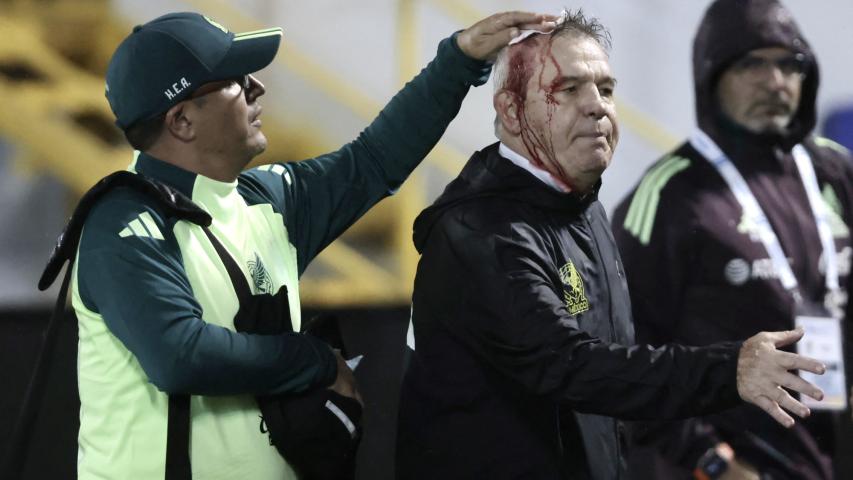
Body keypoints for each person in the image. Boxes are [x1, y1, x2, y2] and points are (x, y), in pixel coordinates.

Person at [65, 10, 553, 480]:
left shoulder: (268, 200)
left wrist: (460, 59)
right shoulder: (124, 223)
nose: (257, 87)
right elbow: (180, 355)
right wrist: (316, 362)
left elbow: (373, 161)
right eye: (234, 80)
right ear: (182, 121)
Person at [395, 9, 828, 480]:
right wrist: (732, 370)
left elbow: (620, 374)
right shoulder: (482, 233)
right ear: (511, 110)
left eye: (606, 89)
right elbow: (574, 366)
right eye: (568, 89)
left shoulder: (577, 205)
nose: (597, 105)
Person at [611, 0, 853, 478]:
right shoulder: (668, 197)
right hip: (728, 466)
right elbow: (628, 361)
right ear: (711, 76)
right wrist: (711, 464)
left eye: (789, 64)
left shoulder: (836, 172)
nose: (775, 81)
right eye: (751, 64)